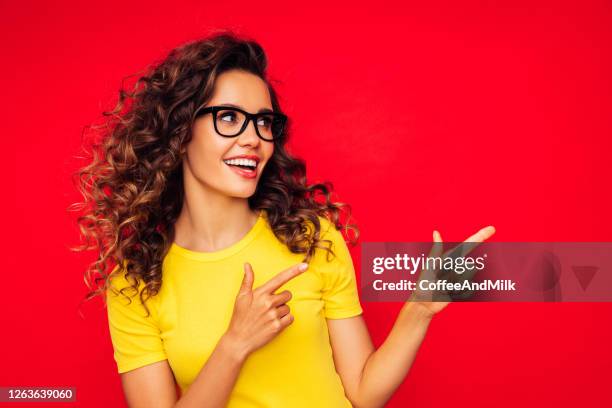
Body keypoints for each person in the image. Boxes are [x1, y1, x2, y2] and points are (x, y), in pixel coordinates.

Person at [73, 30, 495, 408]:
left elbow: (363, 393)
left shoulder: (310, 239)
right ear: (180, 132)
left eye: (264, 122)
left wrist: (418, 308)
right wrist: (235, 344)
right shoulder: (136, 283)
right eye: (229, 117)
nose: (253, 137)